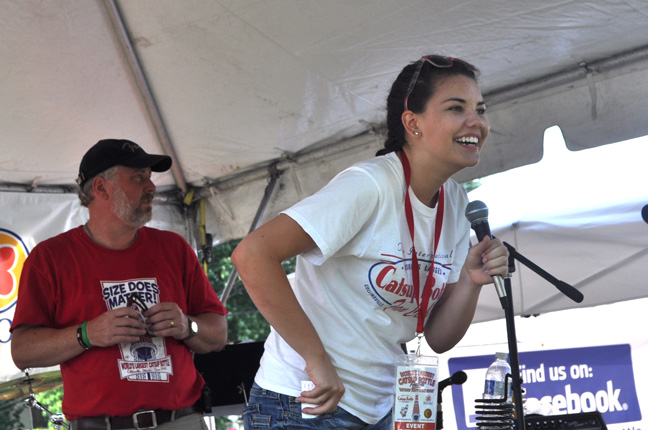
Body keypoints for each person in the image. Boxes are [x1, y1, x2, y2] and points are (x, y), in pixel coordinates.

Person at [231, 54, 509, 429]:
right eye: (456, 108)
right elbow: (252, 255)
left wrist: (472, 282)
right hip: (305, 403)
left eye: (480, 109)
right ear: (412, 122)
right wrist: (317, 360)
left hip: (380, 408)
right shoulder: (372, 183)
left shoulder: (457, 203)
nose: (476, 122)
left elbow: (439, 338)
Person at [10, 139, 228, 430]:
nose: (151, 186)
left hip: (181, 420)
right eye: (139, 177)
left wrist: (189, 326)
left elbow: (218, 335)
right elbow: (22, 351)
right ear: (101, 188)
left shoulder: (173, 248)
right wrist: (86, 334)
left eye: (150, 177)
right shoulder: (50, 258)